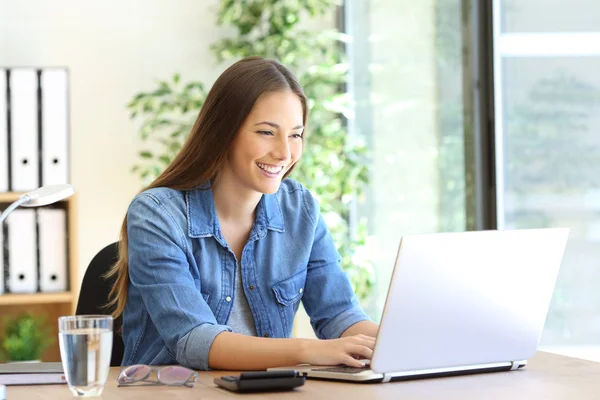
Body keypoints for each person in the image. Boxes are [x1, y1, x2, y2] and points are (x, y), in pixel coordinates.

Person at [107, 56, 379, 371]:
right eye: (266, 132)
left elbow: (339, 316)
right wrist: (309, 350)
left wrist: (396, 341)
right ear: (225, 131)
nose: (285, 153)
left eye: (295, 134)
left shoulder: (300, 209)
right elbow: (193, 339)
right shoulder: (157, 215)